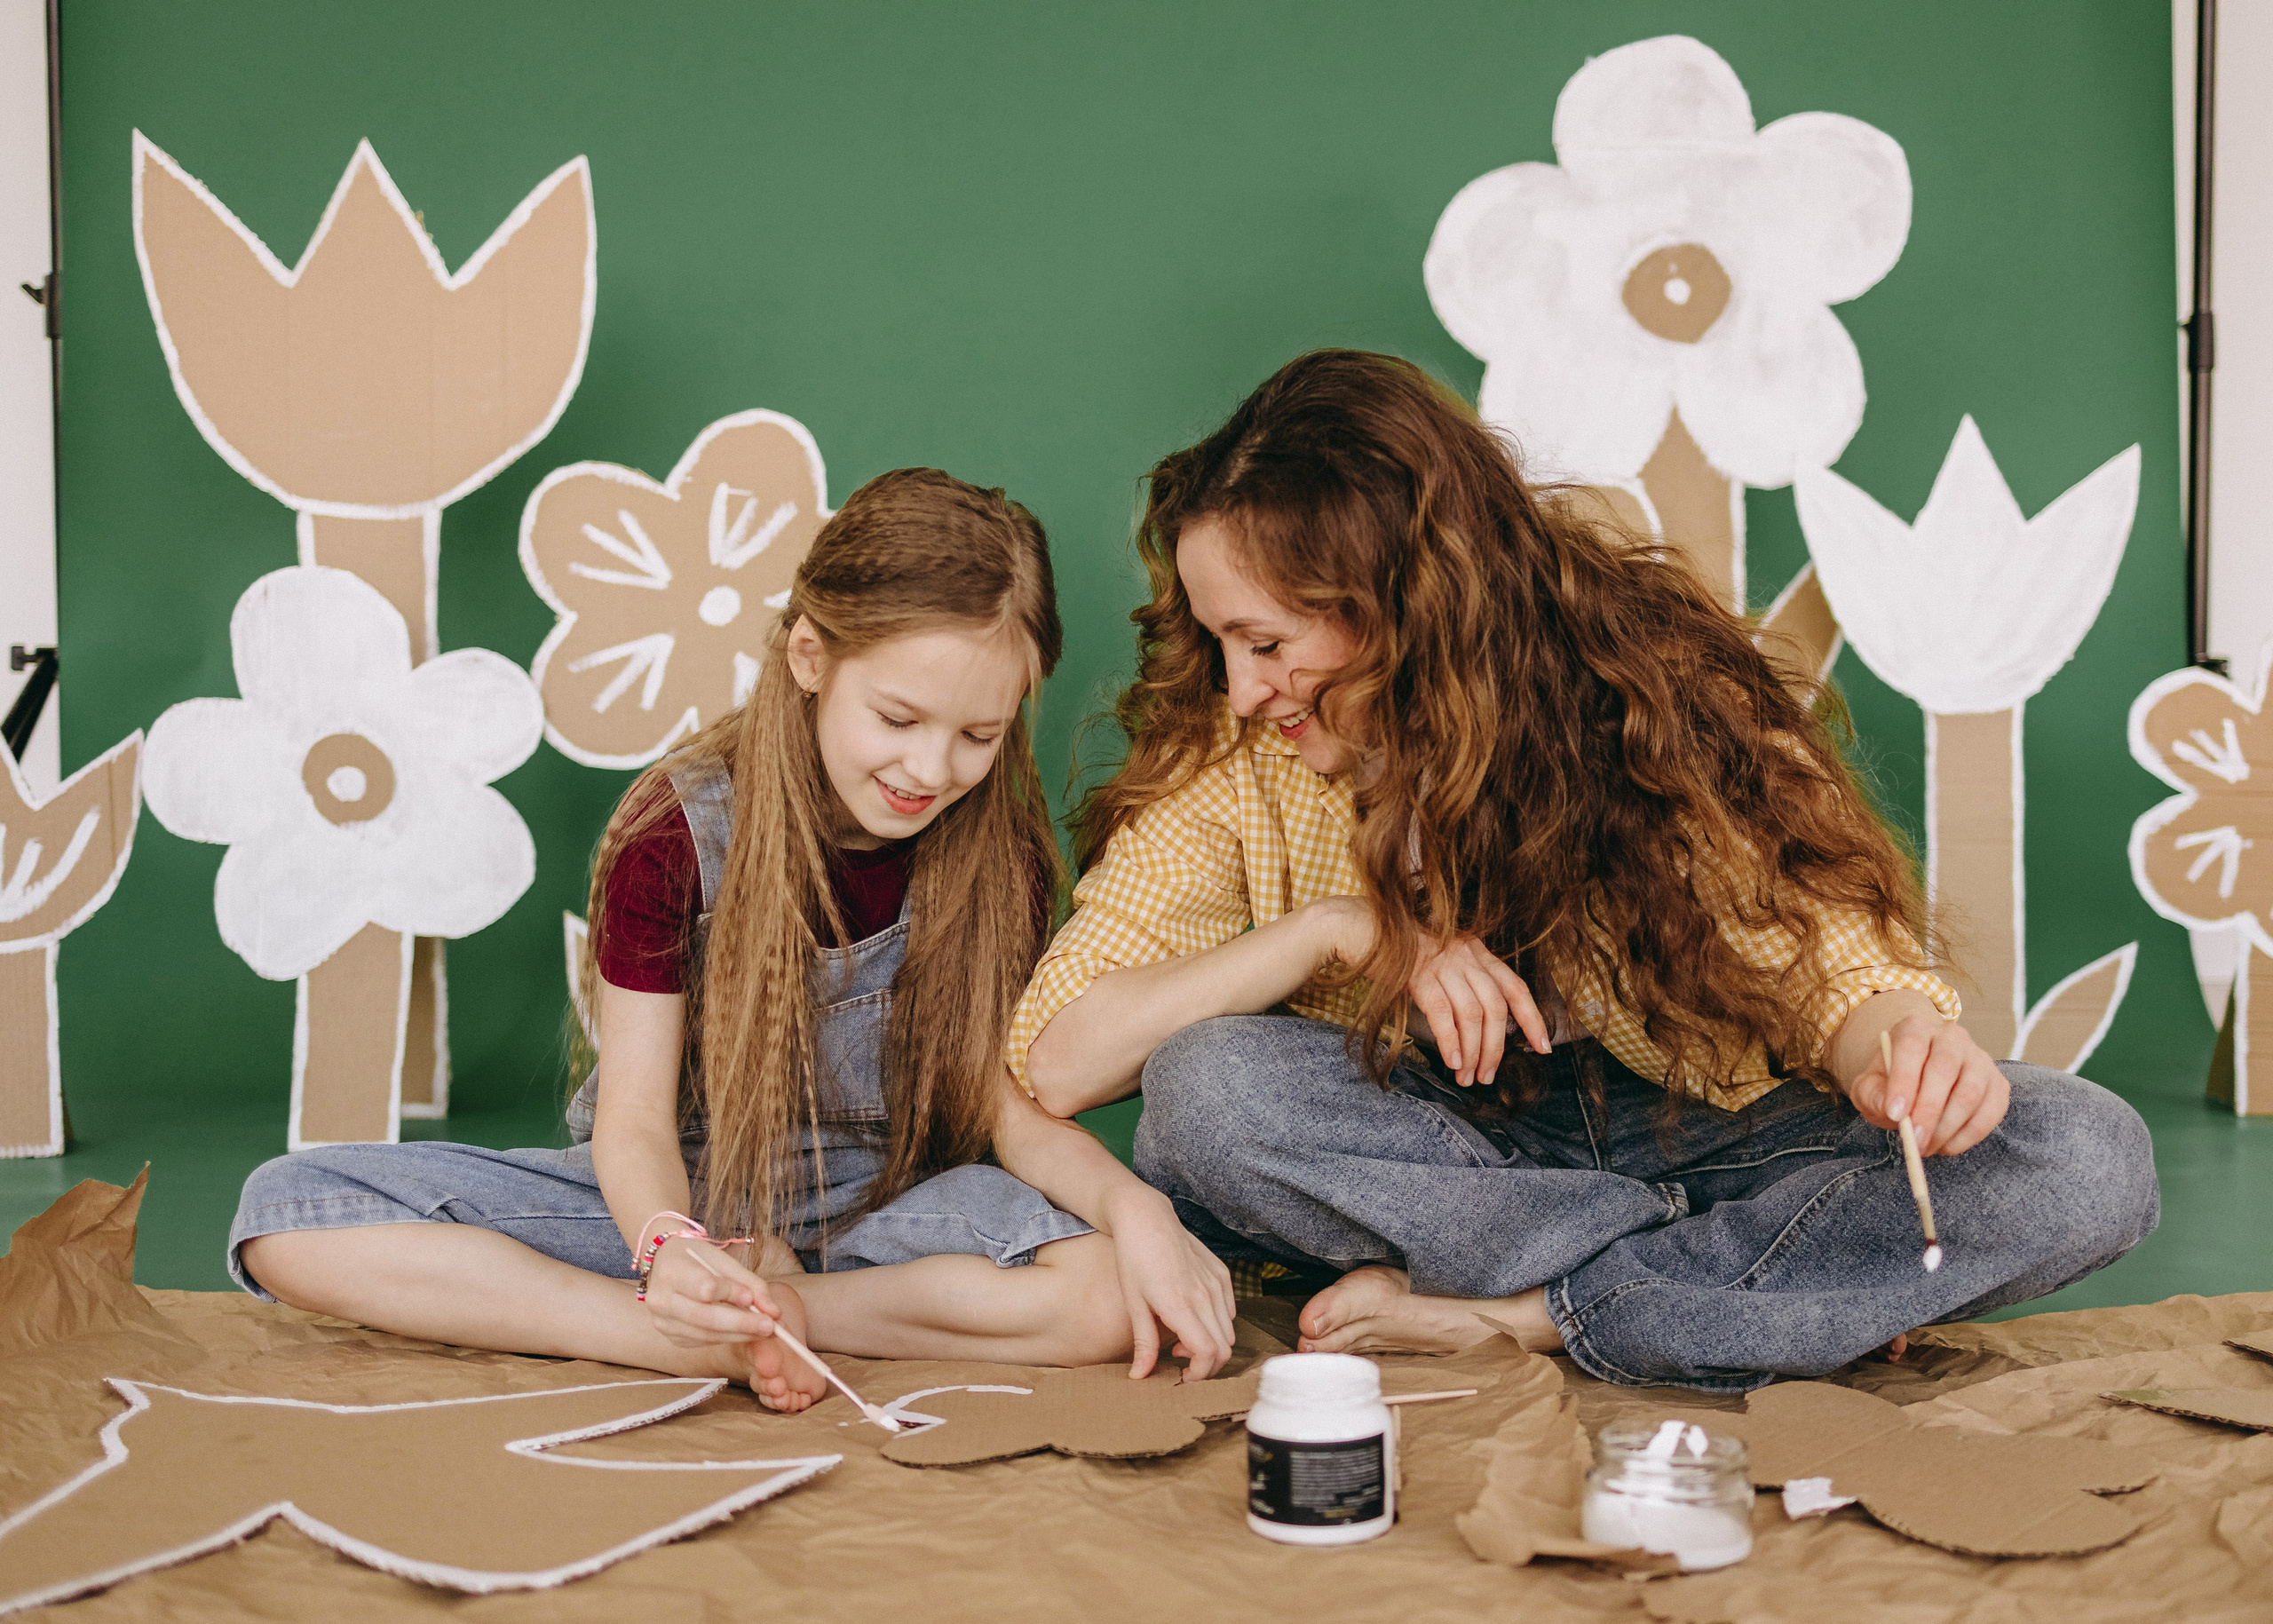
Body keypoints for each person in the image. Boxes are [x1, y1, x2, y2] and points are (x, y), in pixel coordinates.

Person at [1013, 350, 2158, 1393]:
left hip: (1710, 1132)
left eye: (1267, 642)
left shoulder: (1647, 686)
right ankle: (1741, 1282)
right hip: (1450, 1157)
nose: (1241, 685)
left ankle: (1525, 1316)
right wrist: (1347, 930)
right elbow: (1060, 1058)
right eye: (1221, 640)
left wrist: (1899, 1046)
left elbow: (1825, 956)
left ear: (1407, 606)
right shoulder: (1239, 759)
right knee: (1208, 1091)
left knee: (2081, 1153)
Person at [235, 468, 1234, 1411]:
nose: (930, 767)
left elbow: (997, 1105)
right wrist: (673, 1250)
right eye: (897, 716)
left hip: (888, 1213)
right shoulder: (674, 834)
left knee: (1108, 1290)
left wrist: (1136, 1209)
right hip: (681, 1196)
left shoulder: (997, 855)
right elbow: (630, 1116)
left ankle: (797, 1318)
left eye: (979, 735)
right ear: (810, 657)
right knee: (287, 1214)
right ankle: (671, 1331)